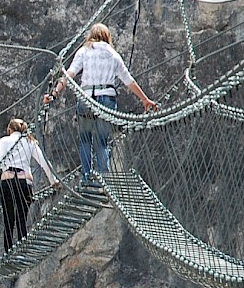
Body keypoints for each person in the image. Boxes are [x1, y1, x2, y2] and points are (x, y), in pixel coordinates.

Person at [43, 23, 158, 186]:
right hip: (106, 100)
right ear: (107, 37)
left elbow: (69, 75)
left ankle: (86, 177)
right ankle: (104, 178)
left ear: (91, 36)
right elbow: (128, 81)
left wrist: (54, 94)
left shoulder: (84, 51)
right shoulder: (113, 54)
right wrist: (145, 99)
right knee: (102, 142)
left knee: (85, 141)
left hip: (86, 99)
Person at [0, 118, 61, 252]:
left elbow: (0, 160)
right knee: (22, 218)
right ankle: (22, 251)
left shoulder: (5, 140)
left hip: (7, 182)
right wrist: (53, 180)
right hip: (24, 183)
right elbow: (44, 161)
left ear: (10, 130)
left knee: (8, 219)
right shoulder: (30, 141)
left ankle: (8, 252)